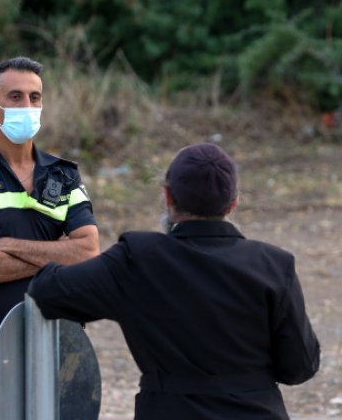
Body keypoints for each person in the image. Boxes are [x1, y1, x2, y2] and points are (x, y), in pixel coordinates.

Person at [28, 142, 321, 419]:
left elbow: (47, 292)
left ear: (167, 197)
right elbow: (300, 368)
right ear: (233, 204)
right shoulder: (274, 265)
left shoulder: (137, 259)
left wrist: (19, 248)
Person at [0, 56, 100, 418]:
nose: (27, 106)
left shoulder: (65, 177)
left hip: (59, 347)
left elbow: (89, 252)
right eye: (15, 97)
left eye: (34, 97)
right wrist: (57, 255)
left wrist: (8, 245)